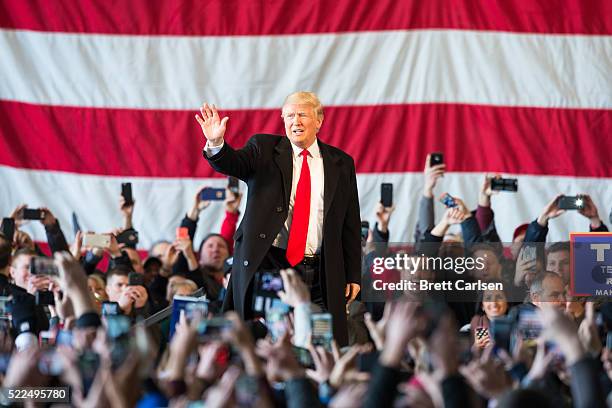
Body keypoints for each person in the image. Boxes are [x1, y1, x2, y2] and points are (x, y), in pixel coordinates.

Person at [196, 91, 361, 345]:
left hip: (321, 269)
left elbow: (350, 223)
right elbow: (233, 163)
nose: (295, 121)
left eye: (303, 115)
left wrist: (353, 274)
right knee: (266, 343)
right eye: (290, 116)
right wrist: (217, 143)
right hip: (269, 263)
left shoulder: (342, 163)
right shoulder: (263, 149)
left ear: (319, 121)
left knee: (318, 343)